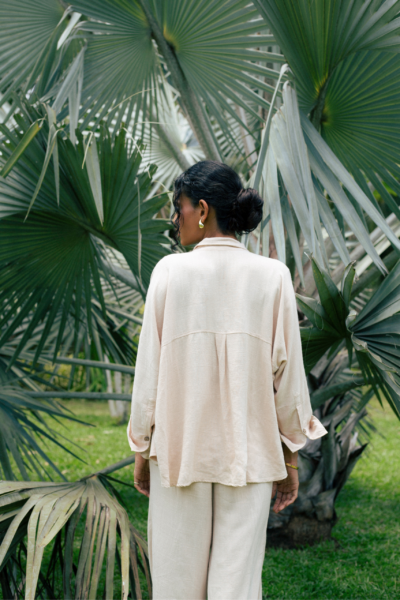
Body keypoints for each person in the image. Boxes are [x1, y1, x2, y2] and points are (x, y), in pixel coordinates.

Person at [127, 160, 327, 599]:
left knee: (176, 584)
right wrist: (290, 458)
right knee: (237, 586)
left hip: (179, 453)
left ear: (201, 210)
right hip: (250, 454)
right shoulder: (273, 276)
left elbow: (148, 375)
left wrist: (142, 447)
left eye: (178, 206)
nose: (175, 217)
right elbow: (289, 378)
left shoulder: (169, 272)